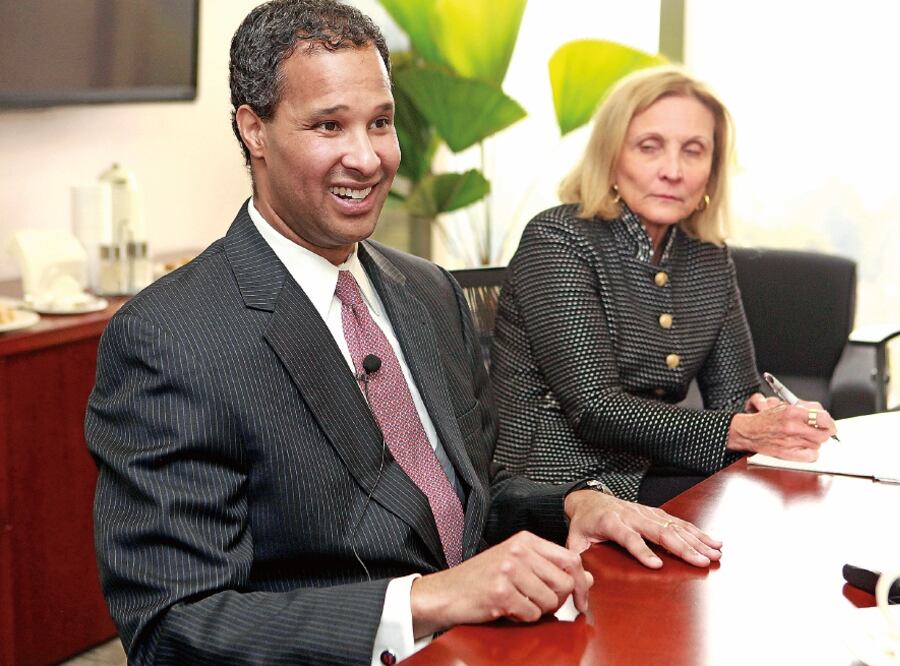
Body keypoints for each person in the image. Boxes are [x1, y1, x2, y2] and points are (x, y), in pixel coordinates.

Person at [85, 3, 723, 664]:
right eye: (328, 125)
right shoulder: (169, 338)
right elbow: (172, 628)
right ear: (255, 130)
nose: (366, 158)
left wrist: (573, 506)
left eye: (380, 123)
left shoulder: (427, 292)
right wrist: (424, 602)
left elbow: (475, 498)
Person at [490, 65, 837, 506]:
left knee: (795, 506)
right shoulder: (559, 240)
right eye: (649, 147)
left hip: (654, 470)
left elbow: (734, 393)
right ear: (611, 156)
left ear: (711, 170)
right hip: (556, 490)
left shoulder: (706, 254)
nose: (672, 170)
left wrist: (776, 415)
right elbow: (596, 410)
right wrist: (743, 431)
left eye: (694, 151)